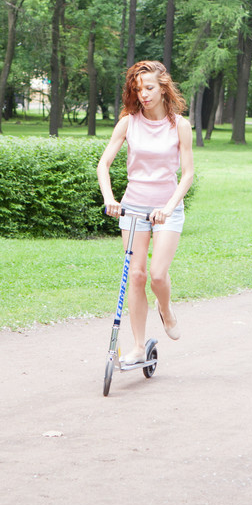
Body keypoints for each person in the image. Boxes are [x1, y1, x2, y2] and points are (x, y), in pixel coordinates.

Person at [97, 60, 195, 365]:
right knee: (136, 276)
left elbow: (188, 174)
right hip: (134, 207)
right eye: (138, 89)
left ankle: (165, 309)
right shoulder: (128, 122)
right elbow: (104, 164)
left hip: (168, 209)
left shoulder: (179, 125)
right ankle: (138, 347)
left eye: (149, 87)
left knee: (156, 275)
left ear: (163, 87)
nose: (144, 94)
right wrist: (110, 198)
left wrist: (168, 208)